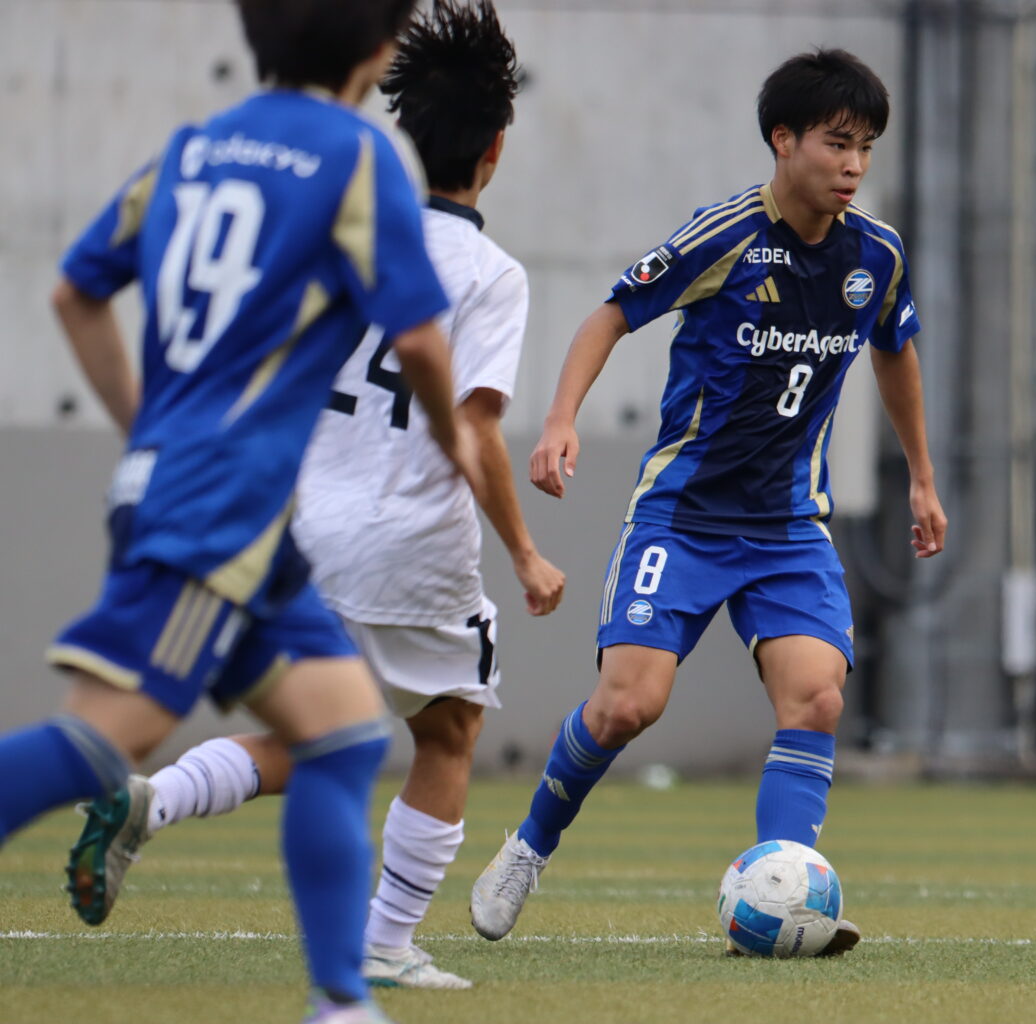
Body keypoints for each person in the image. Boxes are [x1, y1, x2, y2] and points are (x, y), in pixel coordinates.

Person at [63, 0, 563, 993]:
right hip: (410, 539)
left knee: (326, 732)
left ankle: (156, 800)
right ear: (496, 149)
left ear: (400, 127)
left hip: (297, 527)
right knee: (451, 725)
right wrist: (524, 551)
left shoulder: (340, 224)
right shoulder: (491, 275)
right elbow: (473, 428)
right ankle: (381, 946)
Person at [0, 1, 466, 1021]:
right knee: (103, 738)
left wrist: (148, 429)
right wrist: (458, 442)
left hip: (215, 502)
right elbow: (421, 341)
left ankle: (341, 1003)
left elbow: (77, 292)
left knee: (344, 734)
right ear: (380, 46)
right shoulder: (358, 155)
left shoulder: (192, 150)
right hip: (222, 507)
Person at [469, 48, 946, 957]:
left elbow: (895, 349)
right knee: (626, 706)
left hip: (788, 527)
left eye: (866, 148)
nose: (853, 165)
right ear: (783, 140)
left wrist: (921, 475)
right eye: (837, 143)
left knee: (817, 697)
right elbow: (611, 313)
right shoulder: (725, 236)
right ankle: (528, 847)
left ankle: (783, 892)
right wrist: (560, 420)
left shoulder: (876, 255)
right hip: (682, 520)